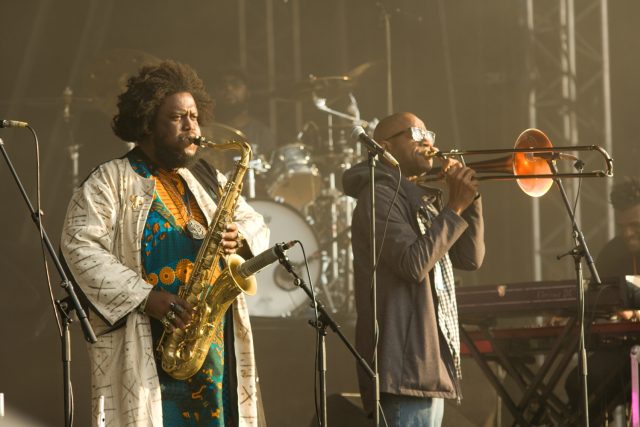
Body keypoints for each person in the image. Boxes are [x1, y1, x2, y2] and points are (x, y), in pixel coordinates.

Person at [60, 60, 269, 426]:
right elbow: (80, 245)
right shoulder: (110, 180)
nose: (192, 128)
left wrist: (240, 236)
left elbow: (255, 221)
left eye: (194, 116)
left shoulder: (206, 176)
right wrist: (145, 297)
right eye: (178, 118)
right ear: (147, 123)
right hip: (147, 348)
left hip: (212, 348)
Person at [342, 112, 485, 426]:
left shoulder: (419, 200)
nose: (428, 141)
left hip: (428, 366)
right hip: (404, 366)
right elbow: (413, 264)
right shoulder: (378, 195)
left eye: (429, 133)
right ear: (384, 146)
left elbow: (469, 259)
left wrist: (470, 202)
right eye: (416, 134)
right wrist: (455, 206)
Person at [564, 177, 640, 422]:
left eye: (635, 226)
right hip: (622, 351)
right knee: (580, 384)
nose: (627, 234)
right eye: (622, 226)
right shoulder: (613, 252)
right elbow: (597, 301)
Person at [212, 67, 276, 159]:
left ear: (248, 92)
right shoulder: (207, 131)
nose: (228, 88)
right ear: (215, 93)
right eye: (222, 85)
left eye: (235, 84)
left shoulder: (262, 133)